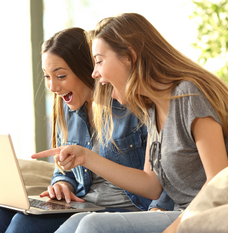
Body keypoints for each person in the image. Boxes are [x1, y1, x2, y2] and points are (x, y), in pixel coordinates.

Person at [32, 13, 228, 233]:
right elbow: (151, 186)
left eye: (99, 61)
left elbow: (218, 186)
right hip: (180, 214)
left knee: (92, 224)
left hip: (205, 217)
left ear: (129, 57)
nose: (94, 73)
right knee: (74, 225)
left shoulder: (188, 95)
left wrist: (171, 230)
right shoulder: (152, 108)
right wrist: (86, 157)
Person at [0, 27, 173, 233]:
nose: (52, 87)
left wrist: (158, 210)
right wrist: (63, 184)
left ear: (86, 68)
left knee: (24, 226)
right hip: (84, 205)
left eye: (60, 76)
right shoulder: (67, 109)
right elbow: (65, 170)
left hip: (127, 209)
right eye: (47, 76)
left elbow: (166, 170)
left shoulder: (130, 104)